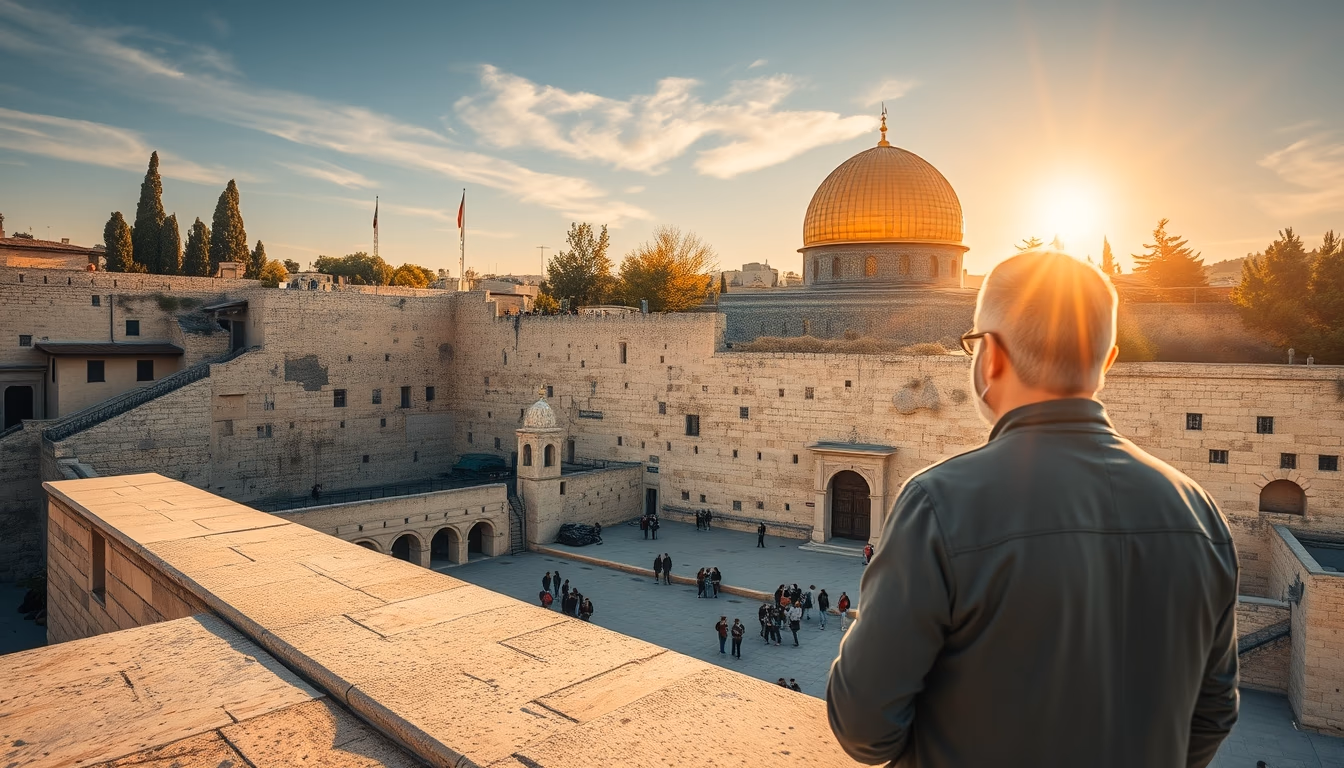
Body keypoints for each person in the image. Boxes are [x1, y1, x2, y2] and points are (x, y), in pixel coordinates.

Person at [826, 250, 1239, 768]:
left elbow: (864, 727)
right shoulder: (1200, 514)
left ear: (991, 357)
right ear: (1107, 363)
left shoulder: (939, 503)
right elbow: (1215, 713)